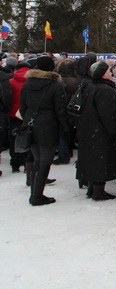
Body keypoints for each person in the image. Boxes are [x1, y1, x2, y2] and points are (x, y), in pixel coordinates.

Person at [19, 56, 69, 206]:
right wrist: (66, 128)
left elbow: (22, 108)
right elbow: (60, 110)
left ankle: (34, 192)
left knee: (37, 159)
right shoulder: (55, 85)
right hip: (48, 124)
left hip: (31, 123)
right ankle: (37, 195)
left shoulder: (27, 84)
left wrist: (28, 119)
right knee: (45, 161)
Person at [76, 61, 116, 201]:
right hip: (102, 131)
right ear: (103, 74)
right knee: (101, 160)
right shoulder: (105, 90)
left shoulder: (92, 87)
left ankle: (93, 188)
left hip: (91, 129)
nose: (111, 74)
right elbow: (109, 114)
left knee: (94, 159)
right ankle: (98, 191)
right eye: (108, 72)